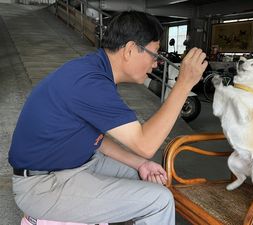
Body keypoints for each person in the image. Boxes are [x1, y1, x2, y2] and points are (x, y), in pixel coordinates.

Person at [9, 10, 207, 225]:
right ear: (130, 50)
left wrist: (141, 164)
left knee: (147, 177)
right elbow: (146, 144)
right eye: (154, 54)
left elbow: (97, 140)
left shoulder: (94, 70)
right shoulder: (91, 83)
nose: (155, 64)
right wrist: (184, 84)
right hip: (43, 184)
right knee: (159, 200)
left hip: (74, 164)